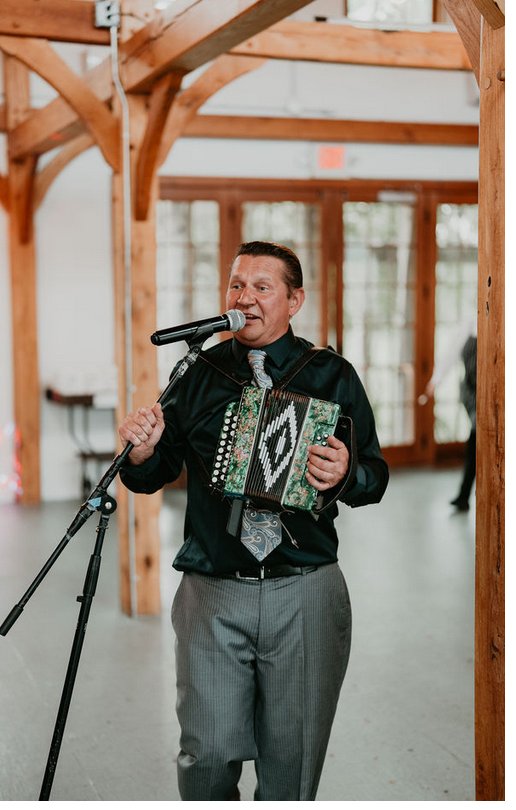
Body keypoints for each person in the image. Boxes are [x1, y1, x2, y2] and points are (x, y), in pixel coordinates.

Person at [118, 241, 389, 801]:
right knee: (205, 756)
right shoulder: (199, 371)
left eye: (262, 287)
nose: (245, 298)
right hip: (213, 591)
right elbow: (152, 474)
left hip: (304, 589)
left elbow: (375, 477)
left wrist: (346, 473)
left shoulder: (332, 374)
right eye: (236, 285)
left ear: (295, 301)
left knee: (292, 764)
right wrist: (141, 454)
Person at [420, 316, 477, 512]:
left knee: (476, 438)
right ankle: (464, 495)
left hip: (490, 393)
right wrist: (435, 381)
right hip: (471, 391)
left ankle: (464, 494)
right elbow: (452, 353)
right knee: (477, 436)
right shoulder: (470, 320)